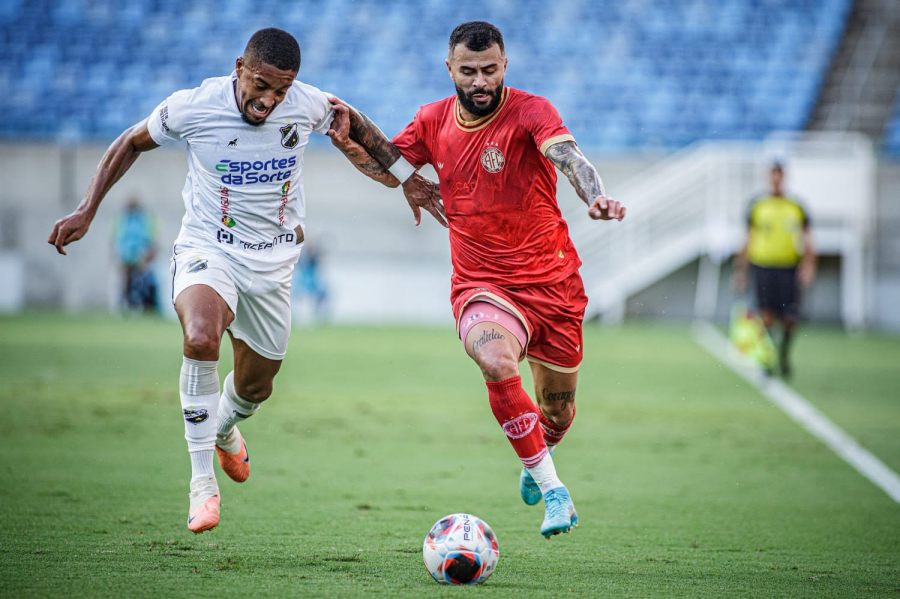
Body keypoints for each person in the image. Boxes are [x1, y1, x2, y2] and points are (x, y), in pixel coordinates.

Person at [48, 28, 443, 534]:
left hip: (274, 263)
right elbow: (131, 141)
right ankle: (201, 485)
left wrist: (407, 176)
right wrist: (87, 209)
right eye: (261, 85)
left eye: (281, 91)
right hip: (207, 248)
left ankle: (226, 430)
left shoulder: (305, 103)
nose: (270, 101)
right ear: (241, 67)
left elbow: (356, 123)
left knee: (256, 386)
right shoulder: (193, 106)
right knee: (200, 337)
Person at [329, 21, 626, 539]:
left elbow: (570, 159)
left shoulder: (532, 111)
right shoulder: (431, 120)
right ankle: (555, 490)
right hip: (481, 283)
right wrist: (348, 145)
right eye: (468, 72)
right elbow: (389, 167)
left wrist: (594, 196)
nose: (480, 81)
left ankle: (541, 447)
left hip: (553, 282)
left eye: (490, 70)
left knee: (557, 413)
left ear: (505, 65)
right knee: (494, 358)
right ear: (450, 70)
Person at [734, 162, 816, 378]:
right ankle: (767, 360)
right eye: (773, 175)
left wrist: (809, 265)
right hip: (762, 266)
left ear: (784, 177)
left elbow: (808, 239)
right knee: (766, 315)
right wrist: (740, 270)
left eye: (779, 175)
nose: (776, 179)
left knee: (790, 318)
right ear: (768, 177)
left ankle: (784, 354)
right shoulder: (758, 206)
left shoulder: (796, 207)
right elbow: (747, 238)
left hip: (788, 267)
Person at [113, 198, 159, 313]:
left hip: (142, 257)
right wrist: (120, 258)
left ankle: (148, 308)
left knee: (144, 283)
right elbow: (117, 240)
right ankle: (126, 308)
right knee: (126, 285)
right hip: (126, 258)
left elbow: (151, 240)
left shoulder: (145, 219)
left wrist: (146, 258)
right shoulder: (122, 220)